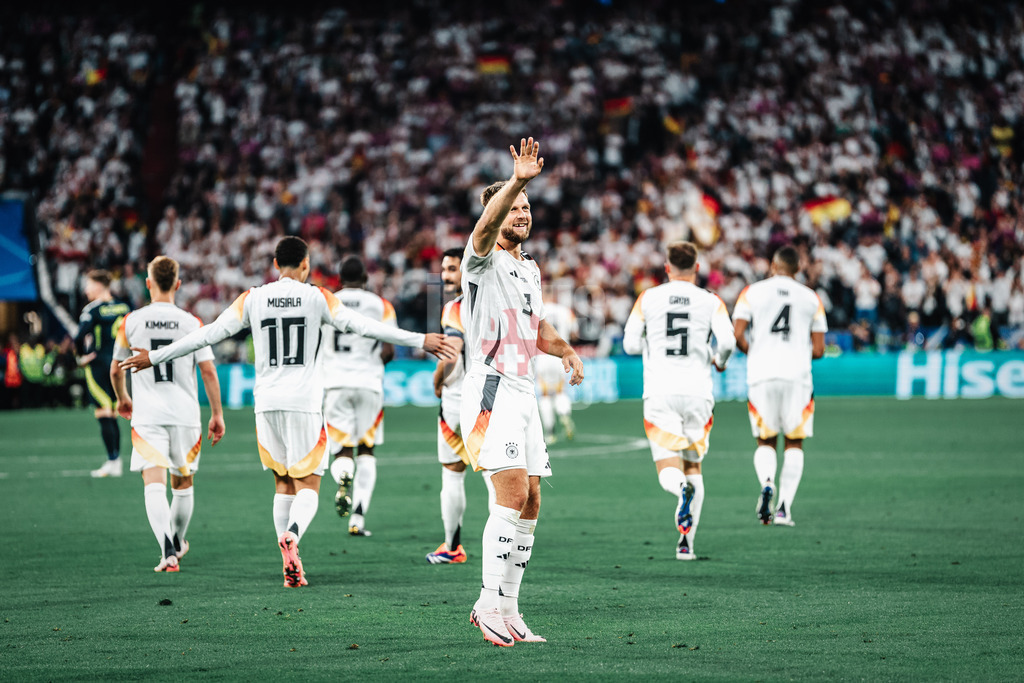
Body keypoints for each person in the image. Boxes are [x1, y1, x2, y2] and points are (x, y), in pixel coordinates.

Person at [121, 237, 455, 587]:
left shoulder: (252, 297)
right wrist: (420, 339)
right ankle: (293, 535)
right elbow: (363, 326)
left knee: (282, 482)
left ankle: (287, 562)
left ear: (276, 264)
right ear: (306, 265)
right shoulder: (318, 296)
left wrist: (154, 356)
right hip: (304, 402)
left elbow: (209, 334)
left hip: (265, 403)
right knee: (308, 483)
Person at [461, 137, 584, 646]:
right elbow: (484, 226)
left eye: (527, 207)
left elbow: (535, 328)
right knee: (509, 494)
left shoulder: (529, 267)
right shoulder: (481, 259)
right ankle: (486, 603)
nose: (522, 213)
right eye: (514, 206)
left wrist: (565, 350)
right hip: (491, 389)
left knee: (532, 500)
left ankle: (510, 609)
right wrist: (517, 180)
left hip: (525, 391)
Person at [110, 256, 226, 572]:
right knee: (183, 483)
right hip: (185, 414)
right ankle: (178, 540)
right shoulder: (191, 322)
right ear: (177, 284)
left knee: (153, 483)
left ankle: (167, 552)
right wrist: (217, 413)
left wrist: (122, 398)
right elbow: (208, 372)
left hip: (148, 413)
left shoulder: (130, 321)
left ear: (148, 283)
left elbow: (116, 369)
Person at [622, 241, 735, 560]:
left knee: (667, 465)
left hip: (660, 390)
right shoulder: (711, 301)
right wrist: (719, 359)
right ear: (697, 268)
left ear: (667, 268)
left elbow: (630, 345)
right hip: (698, 391)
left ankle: (678, 490)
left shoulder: (649, 297)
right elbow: (727, 341)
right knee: (693, 466)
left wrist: (650, 342)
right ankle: (686, 544)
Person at [732, 246, 826, 526]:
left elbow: (737, 334)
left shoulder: (752, 292)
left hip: (762, 374)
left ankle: (767, 482)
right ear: (798, 269)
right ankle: (784, 508)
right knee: (794, 442)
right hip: (797, 376)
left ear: (773, 265)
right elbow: (819, 350)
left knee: (765, 439)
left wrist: (755, 352)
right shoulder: (811, 298)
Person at [322, 256, 396, 537]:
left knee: (342, 450)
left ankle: (343, 473)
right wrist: (373, 364)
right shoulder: (380, 305)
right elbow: (389, 349)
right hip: (368, 384)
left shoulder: (327, 301)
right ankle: (358, 518)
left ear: (339, 279)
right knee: (367, 450)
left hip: (336, 383)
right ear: (365, 279)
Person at [426, 247, 470, 565]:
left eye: (452, 268)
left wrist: (438, 379)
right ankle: (509, 547)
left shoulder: (454, 308)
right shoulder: (495, 302)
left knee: (453, 475)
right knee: (499, 478)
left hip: (458, 403)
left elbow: (451, 355)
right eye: (444, 269)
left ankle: (452, 547)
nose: (445, 275)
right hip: (496, 400)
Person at [76, 270, 133, 477]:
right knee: (115, 411)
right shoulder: (125, 306)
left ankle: (113, 460)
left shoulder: (93, 309)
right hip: (121, 363)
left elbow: (79, 336)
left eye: (89, 285)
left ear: (99, 286)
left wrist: (82, 356)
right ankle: (116, 460)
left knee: (103, 411)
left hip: (100, 364)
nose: (86, 289)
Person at [535, 289, 577, 444]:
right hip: (560, 356)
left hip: (542, 356)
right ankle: (564, 413)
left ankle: (550, 431)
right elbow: (575, 333)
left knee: (545, 395)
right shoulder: (565, 311)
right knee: (560, 392)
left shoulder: (537, 310)